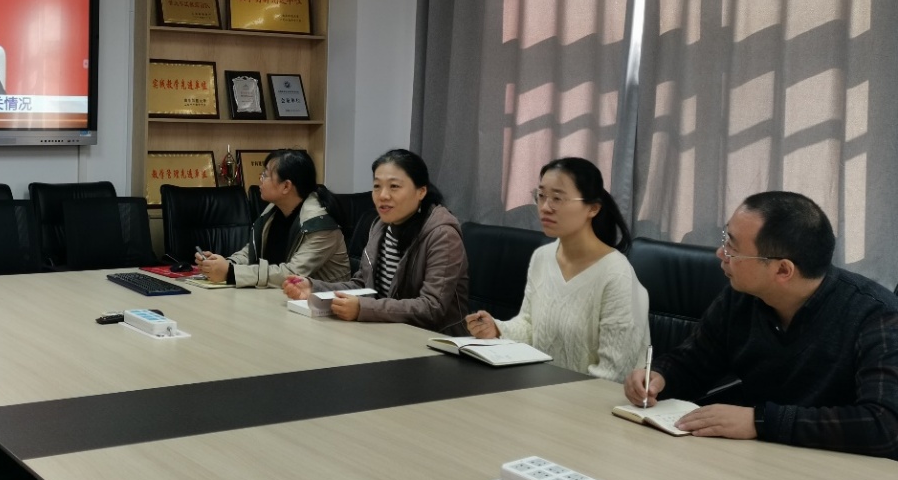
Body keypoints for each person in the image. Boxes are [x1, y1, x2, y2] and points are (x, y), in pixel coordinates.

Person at [623, 191, 898, 459]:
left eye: (733, 248)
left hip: (836, 471)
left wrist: (761, 421)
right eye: (725, 239)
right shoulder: (742, 296)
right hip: (757, 457)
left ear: (783, 270)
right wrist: (659, 377)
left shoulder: (877, 315)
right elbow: (695, 363)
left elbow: (884, 425)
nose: (720, 253)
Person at [465, 157, 649, 382]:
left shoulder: (616, 274)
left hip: (587, 400)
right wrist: (497, 329)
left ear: (593, 208)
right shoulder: (542, 257)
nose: (545, 208)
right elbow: (530, 326)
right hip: (537, 388)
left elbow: (614, 373)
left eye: (557, 199)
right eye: (541, 196)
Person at [283, 148, 468, 335]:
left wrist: (363, 308)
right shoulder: (380, 226)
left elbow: (431, 307)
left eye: (394, 186)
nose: (383, 195)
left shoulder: (442, 235)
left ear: (421, 192)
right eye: (377, 186)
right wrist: (314, 288)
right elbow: (363, 286)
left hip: (433, 340)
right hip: (387, 332)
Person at [195, 149, 350, 288]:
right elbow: (252, 253)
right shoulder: (273, 211)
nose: (260, 179)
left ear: (286, 186)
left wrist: (231, 272)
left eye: (266, 175)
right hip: (279, 298)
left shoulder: (320, 225)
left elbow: (292, 274)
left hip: (322, 305)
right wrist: (222, 264)